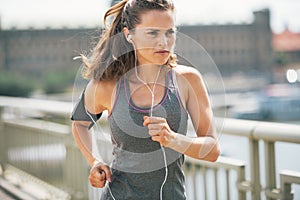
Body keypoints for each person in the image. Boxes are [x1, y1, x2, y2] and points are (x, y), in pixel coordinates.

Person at [71, 0, 220, 199]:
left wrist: (173, 139)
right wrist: (95, 161)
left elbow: (212, 150)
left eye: (170, 32)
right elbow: (80, 123)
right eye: (152, 33)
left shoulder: (188, 80)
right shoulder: (106, 85)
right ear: (128, 35)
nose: (163, 42)